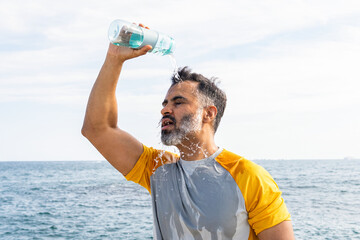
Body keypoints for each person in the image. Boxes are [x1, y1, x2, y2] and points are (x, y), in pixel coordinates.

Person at [82, 24, 295, 240]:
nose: (165, 109)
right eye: (165, 103)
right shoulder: (158, 170)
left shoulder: (248, 177)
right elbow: (98, 129)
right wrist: (114, 57)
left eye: (178, 102)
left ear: (208, 114)